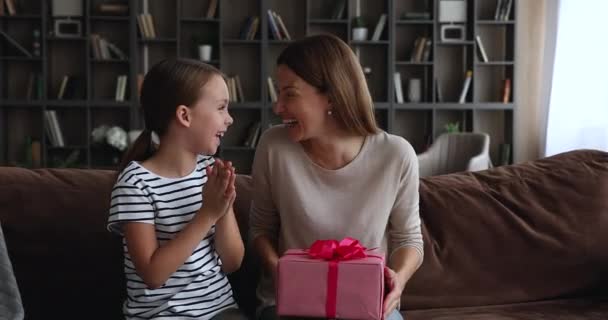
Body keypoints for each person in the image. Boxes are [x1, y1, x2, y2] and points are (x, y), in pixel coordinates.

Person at [249, 34, 424, 320]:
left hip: (366, 304)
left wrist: (399, 280)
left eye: (289, 94)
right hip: (288, 303)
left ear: (332, 95)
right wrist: (278, 269)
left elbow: (409, 239)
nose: (278, 107)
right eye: (278, 94)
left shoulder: (396, 154)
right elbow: (260, 229)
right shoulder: (274, 146)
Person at [107, 58, 246, 320]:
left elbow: (232, 262)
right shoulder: (135, 182)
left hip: (222, 312)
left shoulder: (211, 172)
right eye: (221, 108)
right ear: (184, 115)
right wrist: (207, 213)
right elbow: (153, 274)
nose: (229, 119)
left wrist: (223, 206)